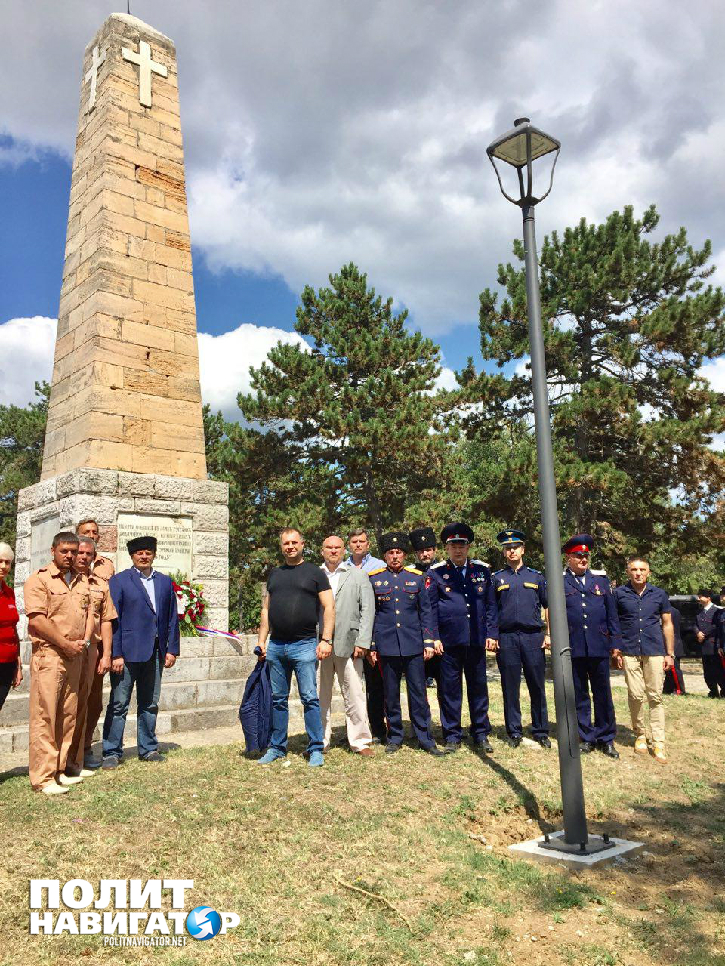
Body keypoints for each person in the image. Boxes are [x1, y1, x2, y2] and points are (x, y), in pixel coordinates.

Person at [257, 528, 334, 766]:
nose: (290, 546)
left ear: (302, 544)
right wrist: (261, 640)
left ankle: (316, 748)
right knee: (278, 699)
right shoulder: (275, 574)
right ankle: (277, 747)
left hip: (304, 645)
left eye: (294, 542)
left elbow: (329, 608)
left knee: (309, 698)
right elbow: (266, 609)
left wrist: (326, 639)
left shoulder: (316, 573)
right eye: (286, 543)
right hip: (277, 646)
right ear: (281, 546)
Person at [24, 531, 93, 794]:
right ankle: (42, 778)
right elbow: (37, 620)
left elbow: (89, 615)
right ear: (53, 550)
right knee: (46, 715)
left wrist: (83, 643)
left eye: (74, 551)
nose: (70, 556)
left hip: (75, 656)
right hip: (51, 656)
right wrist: (65, 644)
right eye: (64, 551)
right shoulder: (39, 580)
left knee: (67, 715)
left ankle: (59, 770)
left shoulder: (81, 581)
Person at [102, 536, 180, 767]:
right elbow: (113, 619)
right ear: (132, 556)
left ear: (154, 554)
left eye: (148, 552)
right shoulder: (119, 581)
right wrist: (116, 653)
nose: (144, 556)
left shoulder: (165, 583)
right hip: (126, 654)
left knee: (149, 703)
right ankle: (111, 751)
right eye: (139, 553)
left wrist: (171, 650)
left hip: (155, 653)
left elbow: (171, 618)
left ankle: (148, 748)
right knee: (119, 704)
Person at [369, 532, 445, 755]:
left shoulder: (415, 577)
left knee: (418, 694)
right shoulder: (374, 579)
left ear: (404, 555)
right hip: (387, 645)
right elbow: (371, 615)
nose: (395, 556)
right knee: (390, 695)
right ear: (385, 556)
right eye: (391, 553)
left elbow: (426, 612)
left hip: (413, 645)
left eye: (398, 552)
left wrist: (428, 641)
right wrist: (373, 645)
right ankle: (394, 737)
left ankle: (425, 738)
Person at [425, 523, 498, 753]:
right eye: (453, 546)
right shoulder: (436, 573)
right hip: (448, 642)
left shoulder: (482, 571)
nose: (458, 550)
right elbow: (430, 609)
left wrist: (492, 633)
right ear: (446, 548)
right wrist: (433, 637)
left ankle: (480, 732)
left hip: (475, 640)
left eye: (462, 545)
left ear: (468, 547)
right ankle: (453, 735)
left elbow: (491, 606)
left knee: (478, 688)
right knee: (450, 690)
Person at [562, 534, 622, 758]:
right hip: (574, 646)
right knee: (579, 694)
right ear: (569, 558)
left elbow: (612, 615)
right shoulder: (560, 582)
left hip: (599, 645)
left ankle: (606, 738)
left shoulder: (601, 582)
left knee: (603, 694)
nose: (583, 559)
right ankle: (586, 736)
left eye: (585, 555)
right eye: (578, 556)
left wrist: (616, 644)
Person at [491, 529, 550, 748]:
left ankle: (541, 730)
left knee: (537, 686)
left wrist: (549, 635)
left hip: (533, 637)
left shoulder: (536, 577)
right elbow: (491, 610)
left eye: (515, 547)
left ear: (523, 550)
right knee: (510, 687)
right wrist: (493, 636)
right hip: (506, 638)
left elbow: (548, 606)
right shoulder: (497, 578)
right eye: (508, 548)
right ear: (504, 553)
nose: (512, 551)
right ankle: (514, 731)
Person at [613, 556, 675, 764]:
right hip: (629, 650)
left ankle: (658, 741)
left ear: (648, 572)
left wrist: (670, 653)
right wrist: (616, 651)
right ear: (627, 572)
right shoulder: (619, 594)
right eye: (634, 569)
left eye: (642, 569)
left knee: (655, 696)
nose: (638, 573)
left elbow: (667, 624)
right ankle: (640, 734)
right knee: (636, 694)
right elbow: (614, 624)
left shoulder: (659, 594)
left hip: (655, 650)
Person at [318, 534, 375, 756]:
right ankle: (319, 739)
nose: (333, 551)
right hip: (320, 644)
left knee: (354, 694)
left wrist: (363, 641)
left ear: (344, 551)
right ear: (322, 550)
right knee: (319, 694)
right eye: (329, 547)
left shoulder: (359, 575)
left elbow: (367, 610)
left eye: (338, 548)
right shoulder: (315, 575)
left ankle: (360, 741)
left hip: (350, 644)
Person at [66, 537, 115, 776]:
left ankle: (83, 748)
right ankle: (65, 754)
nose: (83, 557)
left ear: (94, 558)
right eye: (80, 553)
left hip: (93, 650)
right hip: (69, 649)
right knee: (68, 702)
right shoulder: (65, 580)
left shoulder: (101, 584)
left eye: (88, 554)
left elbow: (106, 620)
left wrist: (107, 655)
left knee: (92, 702)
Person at [348, 527, 387, 743]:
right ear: (349, 545)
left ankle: (378, 729)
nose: (358, 545)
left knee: (375, 686)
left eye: (361, 541)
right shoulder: (343, 568)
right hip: (349, 635)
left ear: (368, 544)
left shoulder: (379, 567)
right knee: (352, 686)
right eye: (354, 541)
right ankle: (355, 730)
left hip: (373, 633)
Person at [409, 527, 440, 688]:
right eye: (421, 551)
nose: (425, 554)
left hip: (441, 633)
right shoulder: (410, 573)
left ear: (435, 550)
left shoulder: (443, 571)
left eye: (428, 550)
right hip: (417, 634)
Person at [0, 543, 22, 713]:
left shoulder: (9, 592)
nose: (4, 567)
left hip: (8, 663)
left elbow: (14, 630)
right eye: (0, 561)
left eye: (7, 562)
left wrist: (18, 664)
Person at [696, 590, 724, 698]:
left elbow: (718, 626)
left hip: (715, 645)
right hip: (704, 645)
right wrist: (697, 632)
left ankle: (723, 691)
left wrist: (704, 634)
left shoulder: (717, 611)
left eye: (701, 596)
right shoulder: (699, 611)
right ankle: (713, 691)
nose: (699, 599)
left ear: (708, 598)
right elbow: (695, 624)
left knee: (718, 670)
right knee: (707, 671)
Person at [663, 604, 687, 695]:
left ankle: (679, 689)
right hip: (670, 642)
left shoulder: (670, 611)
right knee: (668, 669)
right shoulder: (673, 610)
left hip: (673, 643)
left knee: (674, 668)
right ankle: (668, 688)